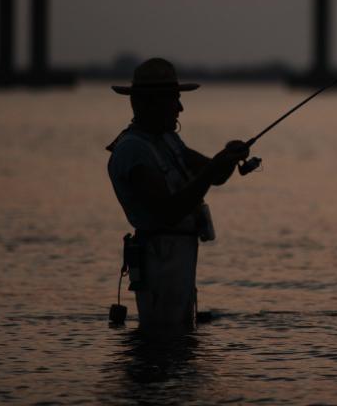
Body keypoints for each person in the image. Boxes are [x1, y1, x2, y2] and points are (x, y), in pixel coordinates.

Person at [106, 57, 249, 335]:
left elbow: (215, 175)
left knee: (179, 336)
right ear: (150, 103)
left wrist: (228, 157)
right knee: (164, 334)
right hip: (158, 259)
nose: (181, 108)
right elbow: (168, 211)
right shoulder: (133, 151)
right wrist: (213, 169)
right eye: (174, 100)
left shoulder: (168, 140)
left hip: (178, 257)